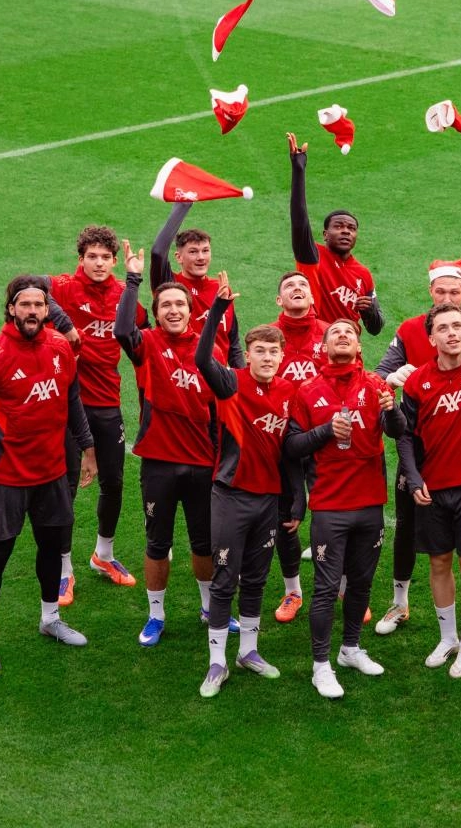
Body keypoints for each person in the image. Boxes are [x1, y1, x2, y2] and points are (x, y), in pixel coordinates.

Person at [0, 275, 97, 665]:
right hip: (7, 479)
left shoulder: (59, 346)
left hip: (52, 474)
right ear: (11, 309)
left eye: (38, 305)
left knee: (51, 548)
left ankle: (50, 619)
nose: (32, 311)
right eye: (24, 304)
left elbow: (72, 397)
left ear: (47, 310)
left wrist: (88, 448)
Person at [373, 259, 461, 638]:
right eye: (442, 291)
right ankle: (400, 601)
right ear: (431, 292)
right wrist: (390, 378)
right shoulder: (410, 329)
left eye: (456, 291)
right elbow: (378, 378)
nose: (449, 297)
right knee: (407, 526)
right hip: (419, 452)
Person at [115, 242, 235, 647]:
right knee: (157, 543)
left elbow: (223, 405)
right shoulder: (147, 343)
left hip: (203, 462)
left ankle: (209, 608)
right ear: (157, 310)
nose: (172, 310)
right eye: (165, 304)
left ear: (189, 310)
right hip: (159, 462)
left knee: (204, 542)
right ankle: (156, 615)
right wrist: (132, 279)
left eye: (179, 304)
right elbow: (121, 331)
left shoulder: (210, 348)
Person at [284, 318, 405, 699]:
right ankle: (321, 665)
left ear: (358, 346)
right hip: (330, 505)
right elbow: (291, 446)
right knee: (324, 588)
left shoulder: (377, 386)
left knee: (362, 583)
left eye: (349, 333)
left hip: (370, 504)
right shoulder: (307, 391)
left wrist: (393, 409)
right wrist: (325, 432)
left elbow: (397, 431)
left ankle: (350, 649)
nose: (342, 335)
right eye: (335, 332)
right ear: (323, 347)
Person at [194, 275, 299, 697]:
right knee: (225, 579)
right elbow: (202, 359)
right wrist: (218, 310)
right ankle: (216, 662)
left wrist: (295, 501)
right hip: (231, 496)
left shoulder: (290, 392)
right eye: (260, 351)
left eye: (274, 352)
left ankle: (249, 652)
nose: (267, 357)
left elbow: (291, 452)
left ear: (282, 356)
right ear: (248, 354)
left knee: (256, 579)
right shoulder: (232, 383)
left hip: (268, 500)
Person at [45, 225, 146, 605]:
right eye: (92, 257)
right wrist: (65, 323)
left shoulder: (123, 294)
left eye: (105, 257)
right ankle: (63, 569)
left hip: (107, 401)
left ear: (115, 261)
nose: (99, 263)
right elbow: (27, 286)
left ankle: (103, 554)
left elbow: (144, 335)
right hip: (67, 404)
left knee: (114, 481)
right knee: (67, 486)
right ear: (81, 259)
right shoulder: (64, 288)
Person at [269, 269, 330, 624]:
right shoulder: (268, 335)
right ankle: (292, 591)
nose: (297, 288)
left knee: (330, 516)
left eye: (303, 285)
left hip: (324, 439)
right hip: (281, 440)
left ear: (312, 297)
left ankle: (340, 587)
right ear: (279, 299)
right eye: (289, 286)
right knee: (287, 519)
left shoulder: (330, 333)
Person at [287, 133, 383, 334]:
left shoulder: (363, 274)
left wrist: (370, 312)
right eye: (338, 226)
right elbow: (299, 221)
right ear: (325, 234)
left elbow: (376, 328)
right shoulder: (313, 257)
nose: (346, 231)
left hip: (348, 346)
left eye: (351, 228)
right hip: (315, 342)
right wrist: (298, 170)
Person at [150, 202, 244, 367]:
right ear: (178, 257)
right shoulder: (170, 285)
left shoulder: (220, 288)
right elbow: (158, 253)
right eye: (193, 252)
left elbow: (233, 342)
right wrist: (182, 207)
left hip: (216, 376)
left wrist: (241, 377)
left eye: (205, 251)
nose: (201, 257)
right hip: (181, 373)